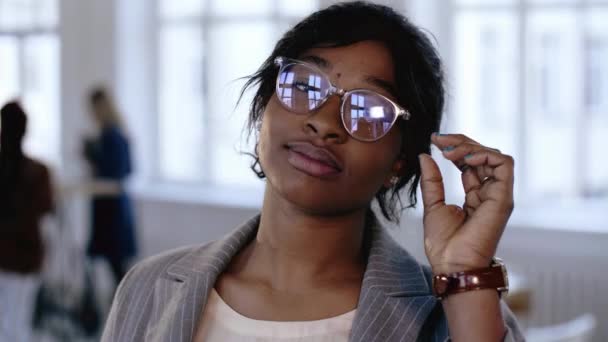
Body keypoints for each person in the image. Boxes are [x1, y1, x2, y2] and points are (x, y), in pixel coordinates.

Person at [102, 2, 524, 341]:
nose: (324, 122)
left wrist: (466, 271)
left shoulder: (457, 310)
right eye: (304, 85)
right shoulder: (150, 287)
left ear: (400, 160)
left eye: (368, 110)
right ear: (263, 109)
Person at [0, 101, 54, 341]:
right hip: (24, 256)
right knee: (18, 322)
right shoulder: (38, 172)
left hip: (13, 254)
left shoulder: (34, 171)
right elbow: (45, 214)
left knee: (8, 322)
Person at [83, 87, 137, 287]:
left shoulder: (110, 136)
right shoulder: (118, 134)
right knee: (117, 267)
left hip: (111, 208)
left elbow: (116, 171)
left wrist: (92, 156)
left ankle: (123, 314)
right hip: (116, 205)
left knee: (118, 269)